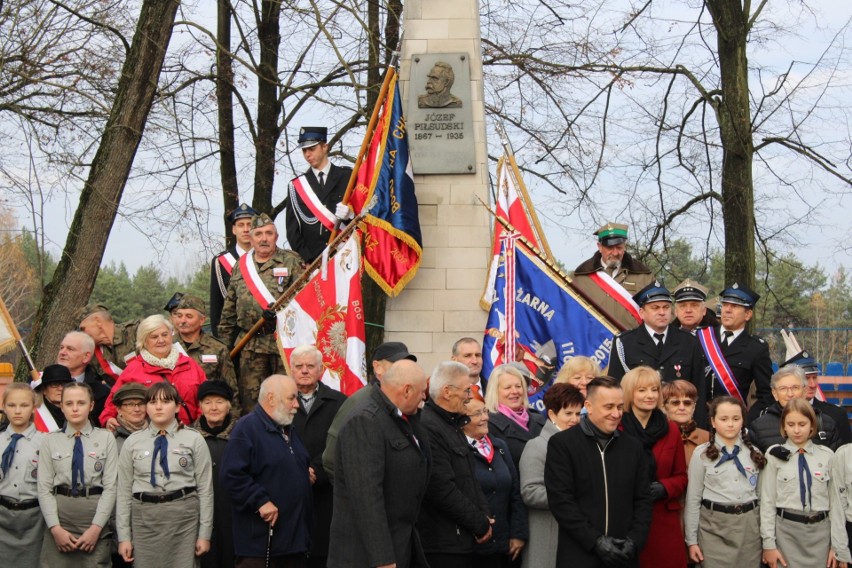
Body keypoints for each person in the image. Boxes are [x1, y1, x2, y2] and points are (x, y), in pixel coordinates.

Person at [328, 359, 431, 568]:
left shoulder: (404, 417)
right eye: (422, 392)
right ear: (407, 390)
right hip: (367, 557)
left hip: (400, 543)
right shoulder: (365, 421)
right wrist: (383, 559)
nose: (424, 398)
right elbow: (366, 498)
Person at [545, 376, 653, 567]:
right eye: (609, 407)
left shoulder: (633, 447)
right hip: (579, 555)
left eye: (620, 407)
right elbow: (562, 501)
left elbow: (643, 499)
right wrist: (595, 541)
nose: (616, 413)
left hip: (624, 555)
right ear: (589, 406)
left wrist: (634, 541)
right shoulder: (563, 444)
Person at [116, 382, 214, 567]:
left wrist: (204, 534)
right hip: (144, 519)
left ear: (177, 406)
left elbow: (205, 490)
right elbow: (123, 493)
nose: (158, 407)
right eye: (152, 402)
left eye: (165, 401)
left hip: (183, 519)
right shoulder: (133, 442)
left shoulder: (194, 439)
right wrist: (124, 537)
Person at [220, 375, 314, 568]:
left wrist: (303, 472)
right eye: (291, 398)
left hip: (294, 542)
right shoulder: (246, 429)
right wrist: (260, 500)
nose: (297, 404)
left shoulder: (288, 429)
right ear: (271, 399)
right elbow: (231, 476)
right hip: (261, 545)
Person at [218, 213, 304, 411]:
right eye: (258, 234)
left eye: (268, 233)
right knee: (251, 401)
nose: (264, 238)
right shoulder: (241, 266)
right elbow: (229, 308)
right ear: (251, 238)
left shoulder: (291, 260)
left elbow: (304, 301)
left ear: (276, 236)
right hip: (250, 344)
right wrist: (225, 348)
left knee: (285, 397)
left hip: (282, 343)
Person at [760, 398, 851, 568]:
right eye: (791, 424)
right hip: (785, 534)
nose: (796, 430)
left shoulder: (828, 456)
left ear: (812, 425)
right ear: (784, 426)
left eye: (802, 424)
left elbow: (836, 505)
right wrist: (769, 544)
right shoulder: (773, 456)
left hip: (821, 536)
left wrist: (837, 546)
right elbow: (767, 502)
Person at [419, 361, 493, 568]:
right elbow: (440, 487)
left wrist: (485, 515)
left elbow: (469, 478)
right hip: (442, 544)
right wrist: (479, 523)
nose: (470, 396)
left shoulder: (452, 424)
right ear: (447, 392)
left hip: (461, 539)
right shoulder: (429, 426)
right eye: (467, 390)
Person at [37, 382, 117, 566]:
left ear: (91, 406)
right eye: (69, 403)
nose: (75, 408)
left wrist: (96, 528)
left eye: (81, 403)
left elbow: (111, 487)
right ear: (61, 406)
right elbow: (44, 488)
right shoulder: (50, 440)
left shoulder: (106, 438)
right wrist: (55, 529)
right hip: (60, 520)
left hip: (95, 520)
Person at [619, 366, 688, 568]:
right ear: (629, 393)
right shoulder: (616, 428)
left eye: (654, 389)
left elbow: (681, 476)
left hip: (662, 519)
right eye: (642, 390)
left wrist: (664, 487)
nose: (650, 395)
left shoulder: (671, 429)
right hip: (627, 519)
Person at [684, 396, 764, 568]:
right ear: (713, 421)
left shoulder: (754, 453)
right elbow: (693, 499)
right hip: (713, 529)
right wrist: (691, 541)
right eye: (724, 419)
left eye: (736, 419)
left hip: (749, 530)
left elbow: (763, 499)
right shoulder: (702, 454)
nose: (730, 424)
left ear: (743, 421)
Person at [322, 341, 417, 482]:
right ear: (377, 367)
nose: (404, 371)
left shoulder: (404, 401)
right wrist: (357, 492)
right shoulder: (360, 401)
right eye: (397, 365)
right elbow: (331, 457)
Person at [289, 345, 347, 568]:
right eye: (299, 366)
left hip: (326, 493)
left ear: (321, 370)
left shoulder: (339, 402)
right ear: (291, 369)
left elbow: (341, 445)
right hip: (288, 493)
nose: (304, 371)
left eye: (310, 366)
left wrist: (315, 471)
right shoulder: (277, 402)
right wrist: (298, 471)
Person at [100, 314, 207, 428]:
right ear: (144, 341)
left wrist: (200, 425)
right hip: (149, 434)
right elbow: (114, 399)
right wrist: (108, 418)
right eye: (154, 337)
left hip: (190, 432)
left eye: (165, 335)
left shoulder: (190, 364)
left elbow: (205, 397)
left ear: (171, 336)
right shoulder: (133, 369)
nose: (161, 340)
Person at [519, 383, 584, 568]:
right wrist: (571, 497)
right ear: (552, 414)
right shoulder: (537, 446)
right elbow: (530, 492)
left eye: (578, 414)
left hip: (576, 536)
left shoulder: (581, 445)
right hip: (547, 535)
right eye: (568, 414)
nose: (575, 420)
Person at [463, 397, 527, 567]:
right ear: (462, 419)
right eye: (477, 413)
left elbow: (515, 491)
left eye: (485, 411)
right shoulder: (459, 450)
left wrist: (518, 534)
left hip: (504, 544)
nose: (485, 417)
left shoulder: (500, 446)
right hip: (474, 546)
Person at [608, 282, 706, 390]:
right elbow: (615, 387)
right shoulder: (624, 343)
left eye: (666, 307)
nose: (662, 312)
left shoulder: (689, 341)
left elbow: (699, 388)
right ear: (642, 313)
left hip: (679, 406)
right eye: (655, 308)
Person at [280, 126, 354, 264]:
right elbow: (293, 232)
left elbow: (364, 216)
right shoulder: (297, 186)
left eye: (312, 149)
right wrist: (309, 260)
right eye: (304, 150)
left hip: (346, 255)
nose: (307, 154)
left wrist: (351, 215)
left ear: (325, 147)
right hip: (314, 262)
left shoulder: (348, 177)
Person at [699, 282, 773, 411]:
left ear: (748, 315)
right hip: (699, 420)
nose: (727, 310)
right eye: (725, 305)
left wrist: (749, 421)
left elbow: (766, 394)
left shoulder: (756, 348)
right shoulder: (701, 337)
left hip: (733, 420)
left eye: (734, 306)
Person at [571, 222, 655, 330]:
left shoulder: (643, 275)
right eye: (610, 248)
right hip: (595, 343)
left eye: (619, 247)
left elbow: (659, 310)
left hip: (634, 343)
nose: (615, 253)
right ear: (599, 247)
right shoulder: (581, 277)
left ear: (625, 245)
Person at [167, 293, 240, 414]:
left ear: (202, 320)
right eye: (179, 316)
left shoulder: (217, 348)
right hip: (173, 415)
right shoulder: (166, 346)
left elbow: (231, 390)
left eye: (189, 316)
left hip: (208, 416)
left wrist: (231, 424)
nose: (182, 321)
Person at [0, 383, 46, 568]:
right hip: (2, 517)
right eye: (11, 405)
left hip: (34, 519)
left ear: (34, 407)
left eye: (24, 405)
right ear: (3, 406)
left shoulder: (46, 442)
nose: (17, 411)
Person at [192, 381, 236, 568]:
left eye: (219, 401)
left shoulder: (242, 434)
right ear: (200, 407)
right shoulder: (189, 436)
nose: (214, 407)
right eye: (208, 402)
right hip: (199, 518)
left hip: (235, 515)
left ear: (229, 405)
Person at [748, 365, 841, 453]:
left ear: (805, 391)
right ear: (775, 393)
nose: (790, 394)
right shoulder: (759, 427)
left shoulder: (826, 423)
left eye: (795, 388)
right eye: (783, 388)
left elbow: (836, 464)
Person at [484, 364, 546, 473]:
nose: (515, 391)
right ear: (494, 391)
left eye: (518, 386)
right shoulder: (488, 425)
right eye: (507, 387)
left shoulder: (539, 419)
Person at [785, 349, 852, 445]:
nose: (812, 384)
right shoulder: (776, 414)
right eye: (806, 378)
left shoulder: (837, 415)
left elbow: (846, 456)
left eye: (815, 377)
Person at [210, 202, 257, 337]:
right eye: (241, 225)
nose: (246, 229)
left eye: (250, 224)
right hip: (235, 333)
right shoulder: (221, 261)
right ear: (233, 229)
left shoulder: (267, 258)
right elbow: (217, 305)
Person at [56, 330, 111, 426]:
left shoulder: (102, 393)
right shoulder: (39, 383)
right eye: (61, 348)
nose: (62, 352)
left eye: (70, 349)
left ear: (86, 357)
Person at [76, 304, 140, 384]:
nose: (83, 334)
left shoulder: (137, 331)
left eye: (83, 329)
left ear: (98, 321)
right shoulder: (93, 355)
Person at [662, 380, 709, 466]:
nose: (682, 407)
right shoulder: (655, 437)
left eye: (687, 403)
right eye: (675, 403)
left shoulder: (708, 439)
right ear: (664, 407)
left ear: (694, 407)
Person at [33, 364, 75, 430]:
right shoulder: (33, 415)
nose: (60, 388)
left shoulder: (78, 411)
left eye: (64, 384)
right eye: (54, 384)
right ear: (44, 390)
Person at [111, 383, 148, 453]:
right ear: (119, 409)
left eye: (141, 404)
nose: (137, 409)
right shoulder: (110, 438)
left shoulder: (156, 433)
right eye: (130, 405)